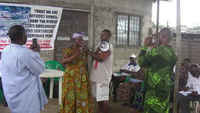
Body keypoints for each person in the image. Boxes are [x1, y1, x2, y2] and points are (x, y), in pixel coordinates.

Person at [0, 25, 47, 113]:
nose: (26, 37)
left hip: (12, 93)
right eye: (25, 34)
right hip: (26, 97)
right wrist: (36, 53)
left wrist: (31, 53)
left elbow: (20, 62)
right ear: (21, 37)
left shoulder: (6, 50)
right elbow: (40, 69)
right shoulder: (25, 53)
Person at [138, 28, 176, 113]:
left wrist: (145, 47)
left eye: (158, 36)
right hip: (165, 88)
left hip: (154, 89)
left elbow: (141, 62)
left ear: (162, 37)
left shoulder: (157, 51)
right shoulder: (172, 52)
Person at [60, 32, 93, 113]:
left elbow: (87, 61)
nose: (82, 40)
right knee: (70, 96)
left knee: (82, 96)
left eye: (82, 39)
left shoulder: (84, 49)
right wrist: (75, 55)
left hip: (82, 77)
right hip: (70, 77)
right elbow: (63, 61)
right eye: (79, 39)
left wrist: (88, 51)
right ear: (74, 40)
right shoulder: (69, 49)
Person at [89, 29, 113, 113]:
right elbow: (95, 55)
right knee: (98, 98)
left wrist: (89, 52)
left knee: (103, 98)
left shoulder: (108, 46)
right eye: (101, 35)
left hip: (103, 76)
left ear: (109, 36)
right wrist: (94, 53)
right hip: (96, 75)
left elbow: (101, 58)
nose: (102, 37)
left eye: (104, 35)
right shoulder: (100, 45)